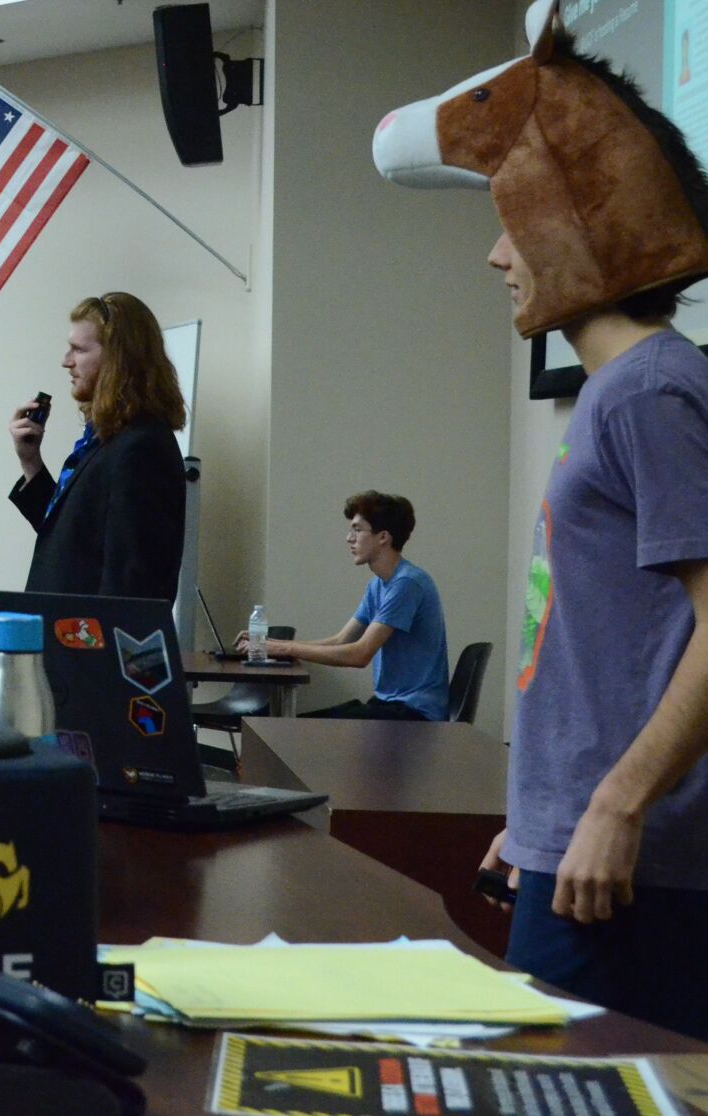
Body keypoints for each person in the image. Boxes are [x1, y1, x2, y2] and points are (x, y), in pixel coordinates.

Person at [377, 10, 708, 1041]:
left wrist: (611, 809)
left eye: (512, 222)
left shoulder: (655, 388)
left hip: (629, 865)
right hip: (567, 846)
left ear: (575, 217)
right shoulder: (616, 393)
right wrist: (538, 818)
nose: (492, 256)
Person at [7, 293, 187, 600]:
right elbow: (73, 541)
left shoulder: (141, 449)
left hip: (88, 644)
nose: (66, 361)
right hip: (64, 637)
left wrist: (94, 648)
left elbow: (131, 583)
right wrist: (31, 463)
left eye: (78, 349)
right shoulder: (106, 439)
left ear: (118, 358)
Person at [247, 492, 449, 721]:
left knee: (297, 731)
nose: (349, 538)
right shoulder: (378, 586)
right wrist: (273, 644)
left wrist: (284, 650)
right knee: (293, 728)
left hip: (414, 714)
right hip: (390, 706)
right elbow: (341, 640)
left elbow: (359, 654)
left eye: (357, 530)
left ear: (383, 537)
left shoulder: (407, 584)